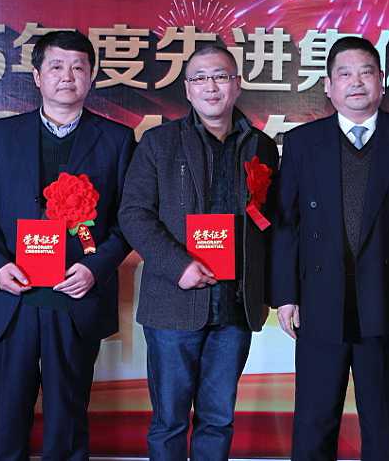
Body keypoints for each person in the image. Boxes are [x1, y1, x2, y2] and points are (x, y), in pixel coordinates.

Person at [0, 30, 135, 460]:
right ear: (37, 76)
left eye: (78, 67)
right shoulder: (0, 135)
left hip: (75, 297)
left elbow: (130, 217)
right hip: (12, 298)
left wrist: (95, 267)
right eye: (56, 66)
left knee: (68, 417)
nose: (67, 76)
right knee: (6, 415)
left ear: (91, 77)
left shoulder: (116, 140)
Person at [271, 35, 389, 461]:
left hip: (387, 298)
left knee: (383, 423)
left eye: (366, 73)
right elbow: (285, 225)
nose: (356, 82)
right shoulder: (302, 143)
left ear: (381, 82)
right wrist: (286, 295)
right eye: (344, 74)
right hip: (318, 301)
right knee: (314, 421)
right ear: (328, 86)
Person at [117, 43, 279, 461]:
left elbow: (271, 222)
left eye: (221, 76)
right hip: (174, 302)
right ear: (187, 89)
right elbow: (134, 214)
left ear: (237, 85)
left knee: (218, 419)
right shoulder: (158, 143)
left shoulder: (262, 147)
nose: (211, 87)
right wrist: (179, 265)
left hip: (235, 306)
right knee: (169, 421)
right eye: (201, 78)